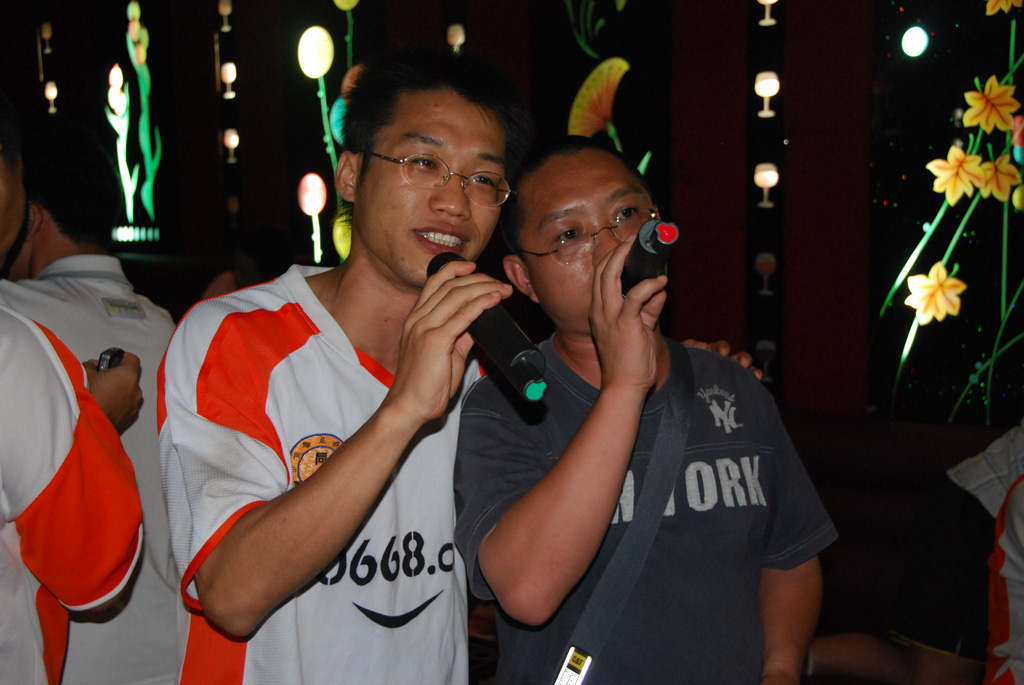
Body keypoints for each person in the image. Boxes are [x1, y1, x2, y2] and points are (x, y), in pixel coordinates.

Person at [158, 49, 531, 683]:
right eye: (424, 163)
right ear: (352, 174)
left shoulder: (489, 366)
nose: (454, 201)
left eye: (483, 179)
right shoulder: (238, 336)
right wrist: (402, 410)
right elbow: (231, 594)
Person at [453, 136, 837, 684]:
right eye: (569, 235)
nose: (611, 247)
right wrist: (625, 385)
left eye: (626, 215)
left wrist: (780, 668)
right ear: (523, 278)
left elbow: (790, 557)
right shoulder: (504, 405)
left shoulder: (733, 385)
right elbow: (527, 593)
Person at [1, 114, 179, 685]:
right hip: (174, 651)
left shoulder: (15, 322)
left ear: (30, 216)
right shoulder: (172, 328)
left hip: (72, 659)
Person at [810, 416, 1024, 685]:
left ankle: (785, 656)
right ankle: (781, 656)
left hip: (977, 508)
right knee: (942, 673)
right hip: (975, 512)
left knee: (917, 668)